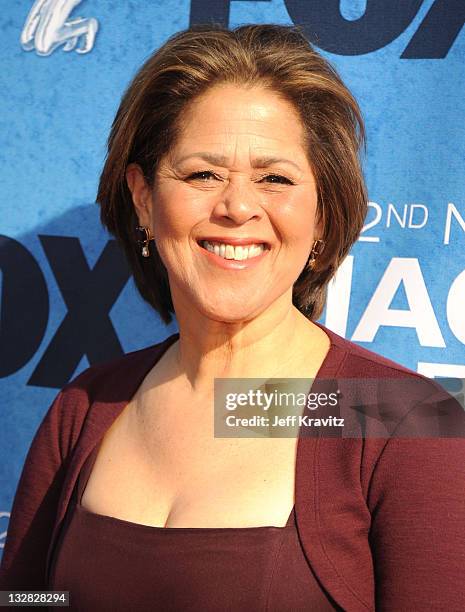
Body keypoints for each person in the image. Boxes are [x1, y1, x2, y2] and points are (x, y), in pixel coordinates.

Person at [1, 23, 464, 612]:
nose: (238, 206)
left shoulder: (394, 418)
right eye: (203, 175)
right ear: (143, 198)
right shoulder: (86, 409)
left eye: (274, 178)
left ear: (323, 215)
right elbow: (26, 598)